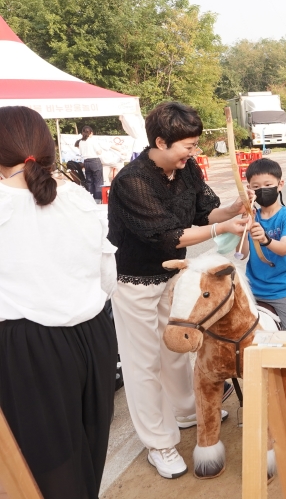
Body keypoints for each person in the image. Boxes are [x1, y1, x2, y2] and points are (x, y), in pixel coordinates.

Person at [107, 102, 248, 479]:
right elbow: (172, 237)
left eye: (195, 144)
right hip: (134, 282)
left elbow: (205, 215)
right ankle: (159, 443)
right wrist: (223, 229)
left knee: (177, 348)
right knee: (144, 364)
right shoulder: (131, 181)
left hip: (172, 278)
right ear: (159, 141)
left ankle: (187, 409)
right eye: (187, 145)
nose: (194, 152)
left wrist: (234, 209)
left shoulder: (186, 171)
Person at [0, 106, 118, 499]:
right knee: (89, 451)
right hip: (94, 336)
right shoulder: (81, 200)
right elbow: (108, 278)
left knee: (48, 470)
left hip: (29, 348)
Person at [240, 158, 286, 331]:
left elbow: (283, 249)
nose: (262, 190)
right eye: (256, 187)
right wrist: (243, 229)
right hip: (252, 290)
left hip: (283, 290)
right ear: (249, 190)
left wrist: (265, 239)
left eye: (268, 184)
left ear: (280, 184)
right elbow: (242, 254)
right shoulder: (251, 216)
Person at [75, 125, 103, 201]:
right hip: (95, 161)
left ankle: (91, 199)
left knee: (89, 181)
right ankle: (98, 199)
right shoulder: (92, 140)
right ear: (90, 133)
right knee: (98, 181)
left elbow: (81, 152)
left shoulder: (80, 142)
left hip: (86, 162)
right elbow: (99, 152)